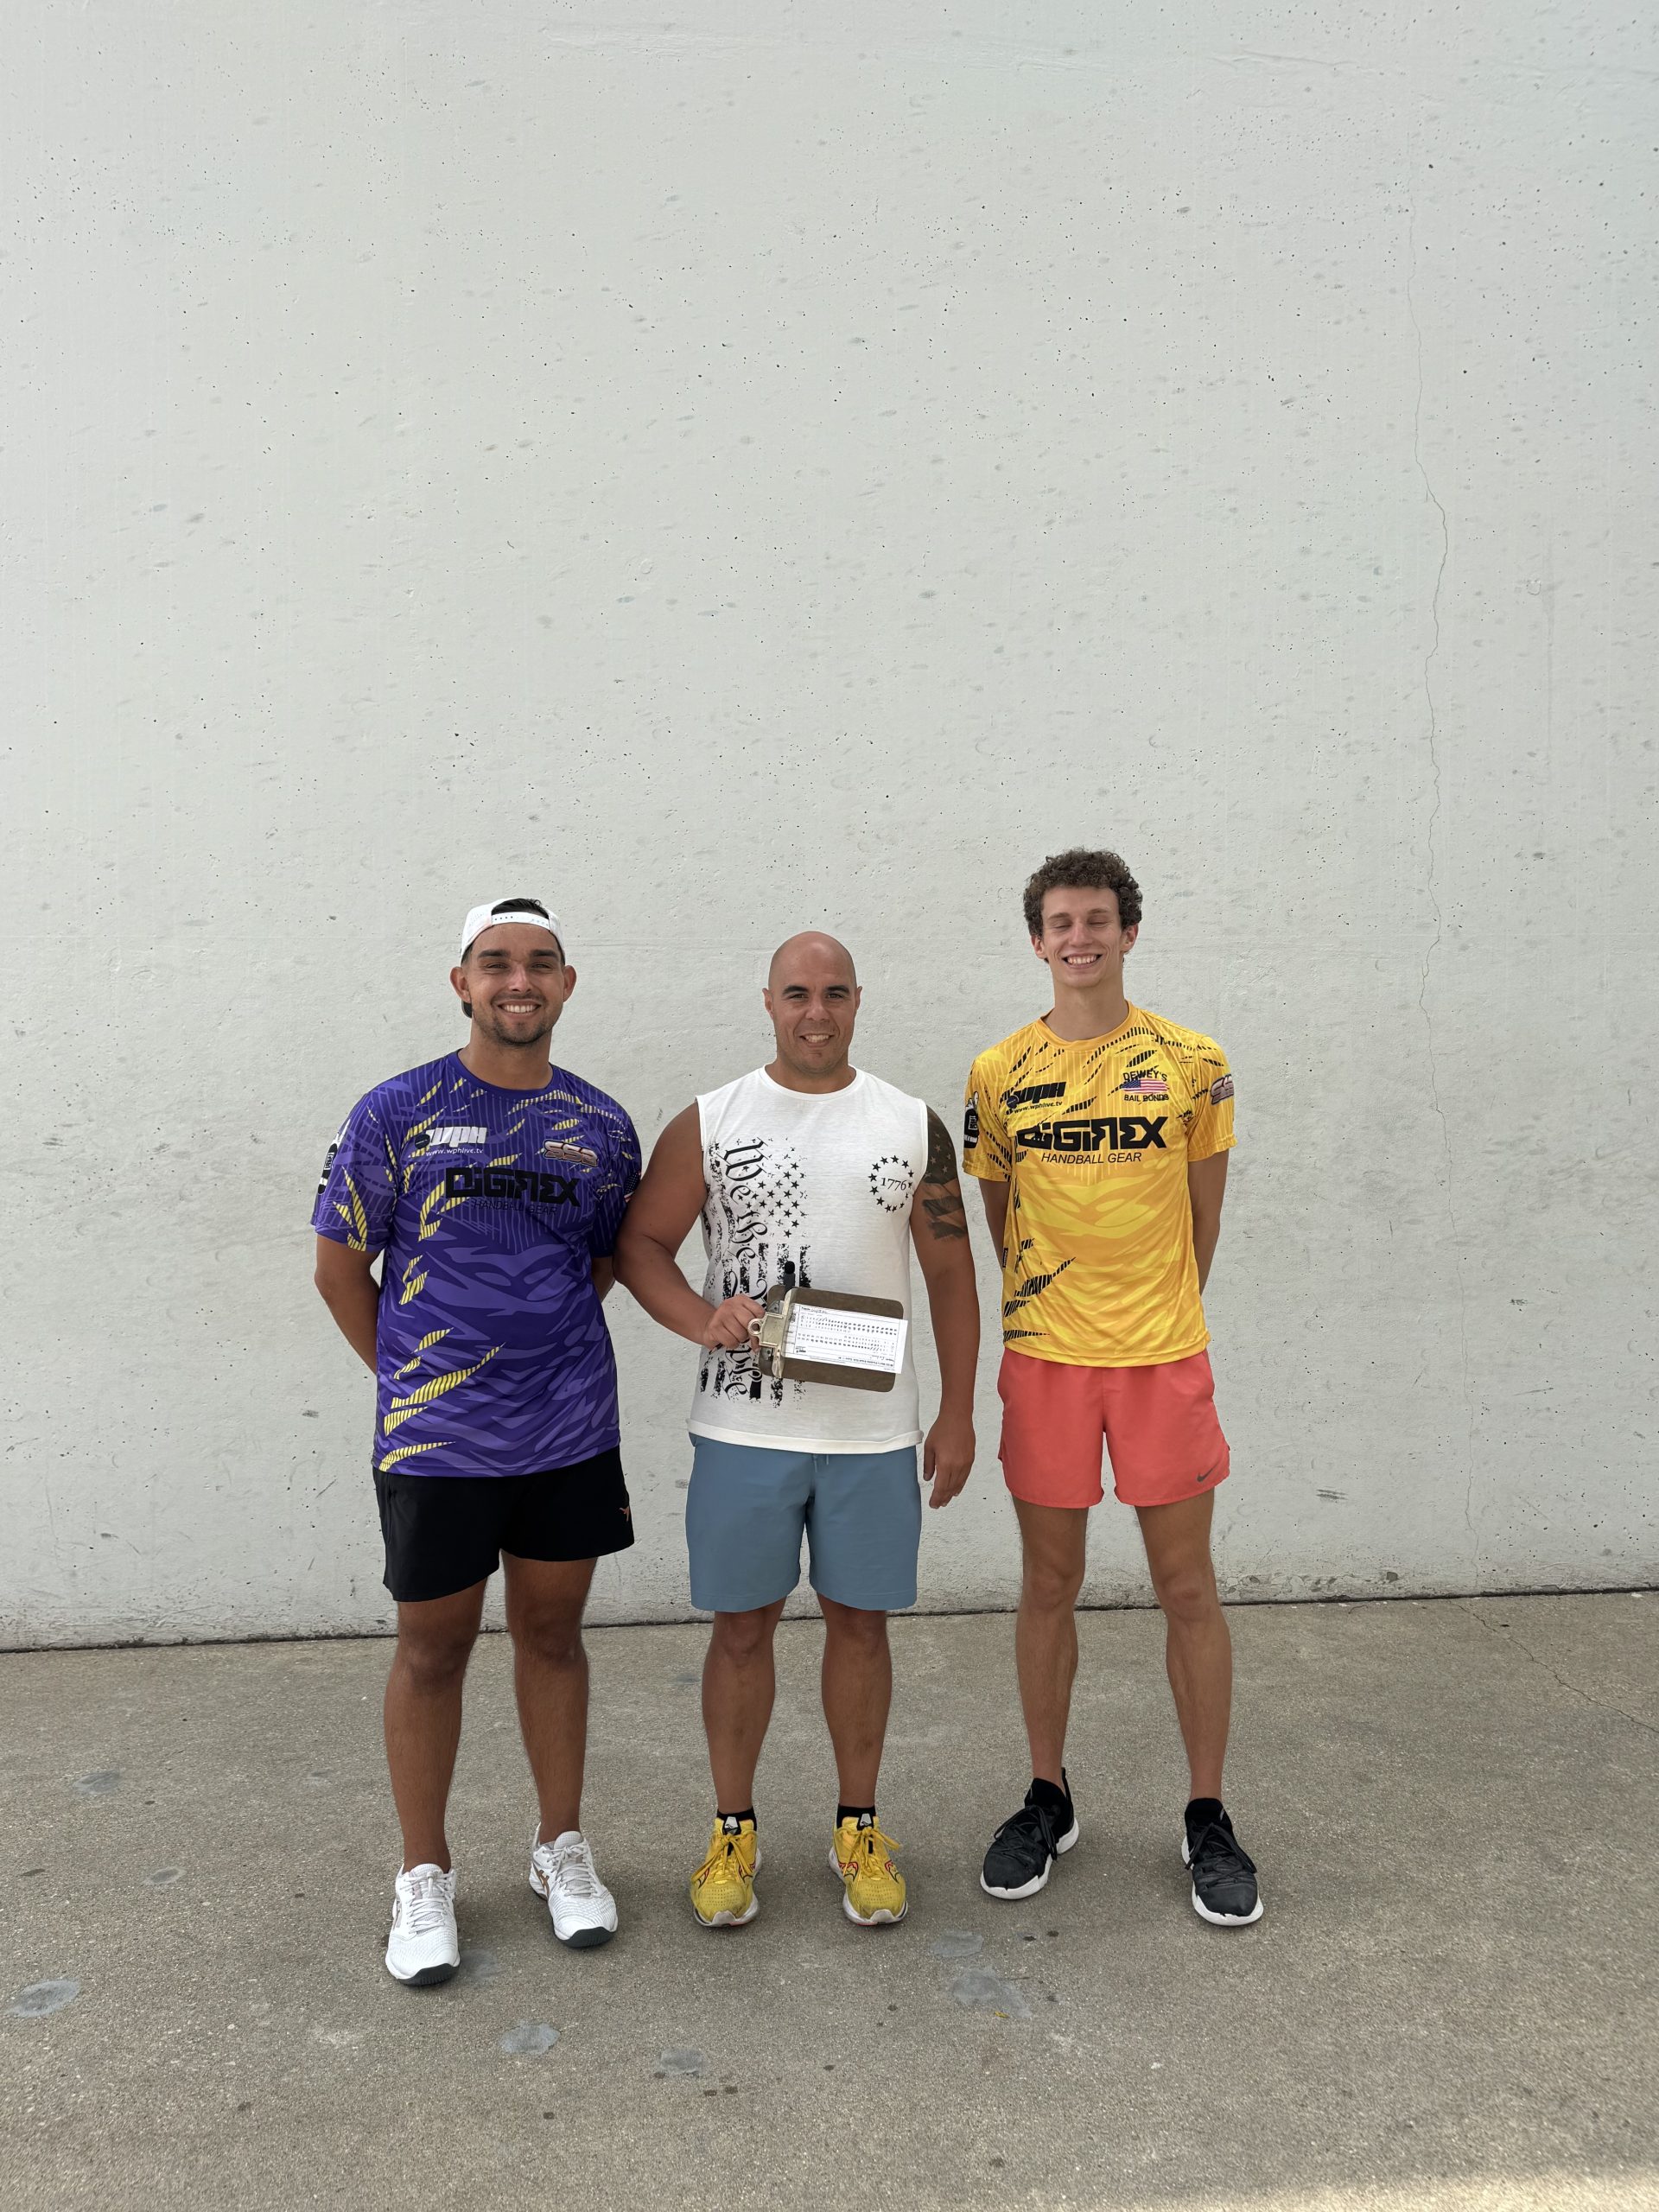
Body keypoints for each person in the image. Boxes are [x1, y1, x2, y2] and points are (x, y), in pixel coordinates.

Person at [614, 932, 978, 1930]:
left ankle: (858, 1829)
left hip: (872, 1432)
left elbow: (952, 1273)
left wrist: (957, 1409)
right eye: (797, 994)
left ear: (858, 1000)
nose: (816, 1012)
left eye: (834, 993)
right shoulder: (713, 1118)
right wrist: (701, 1317)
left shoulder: (910, 1122)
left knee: (861, 1626)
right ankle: (732, 1831)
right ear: (768, 1002)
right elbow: (640, 1243)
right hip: (745, 1427)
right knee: (742, 1629)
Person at [312, 897, 641, 1985]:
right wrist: (419, 1380)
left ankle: (560, 1847)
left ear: (567, 982)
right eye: (496, 962)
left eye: (540, 963)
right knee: (432, 1649)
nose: (519, 980)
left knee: (552, 1636)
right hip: (437, 1441)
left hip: (567, 1431)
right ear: (462, 982)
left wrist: (529, 1364)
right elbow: (339, 1270)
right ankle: (424, 1871)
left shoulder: (601, 1124)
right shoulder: (395, 1111)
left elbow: (603, 1263)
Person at [962, 849, 1262, 1926]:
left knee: (1188, 1587)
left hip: (1161, 1359)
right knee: (1048, 1583)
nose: (1079, 937)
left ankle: (1207, 1814)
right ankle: (1047, 1796)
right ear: (1036, 940)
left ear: (1129, 932)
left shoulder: (1193, 1061)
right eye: (1061, 922)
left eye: (1097, 919)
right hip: (1046, 1360)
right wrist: (1064, 1313)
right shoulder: (996, 1071)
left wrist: (1151, 1316)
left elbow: (1203, 1217)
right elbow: (1002, 1221)